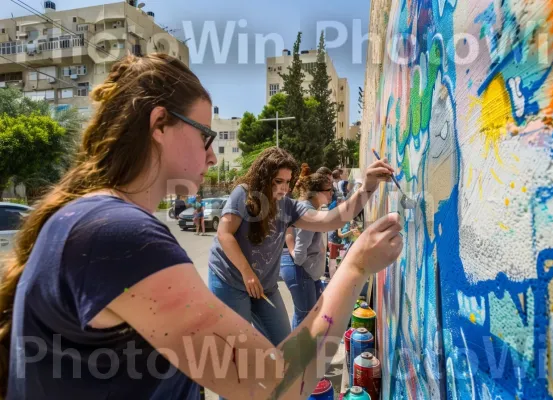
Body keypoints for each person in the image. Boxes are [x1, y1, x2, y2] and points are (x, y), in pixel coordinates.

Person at [0, 53, 402, 400]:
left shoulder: (90, 218)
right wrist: (355, 268)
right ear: (160, 125)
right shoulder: (120, 236)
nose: (212, 158)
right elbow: (278, 385)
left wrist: (366, 188)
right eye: (206, 137)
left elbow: (332, 218)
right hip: (239, 283)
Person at [207, 147, 395, 348]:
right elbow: (224, 234)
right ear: (263, 178)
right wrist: (247, 272)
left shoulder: (288, 206)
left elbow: (330, 220)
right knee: (239, 348)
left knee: (283, 345)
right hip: (230, 281)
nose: (284, 188)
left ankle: (274, 378)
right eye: (278, 181)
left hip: (265, 287)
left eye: (288, 182)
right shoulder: (243, 194)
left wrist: (368, 187)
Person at [280, 167, 332, 329]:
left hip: (302, 271)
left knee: (305, 314)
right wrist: (301, 261)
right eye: (328, 190)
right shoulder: (308, 211)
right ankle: (296, 352)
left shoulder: (305, 207)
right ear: (317, 193)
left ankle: (300, 350)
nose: (332, 193)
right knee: (305, 316)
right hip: (301, 270)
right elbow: (300, 250)